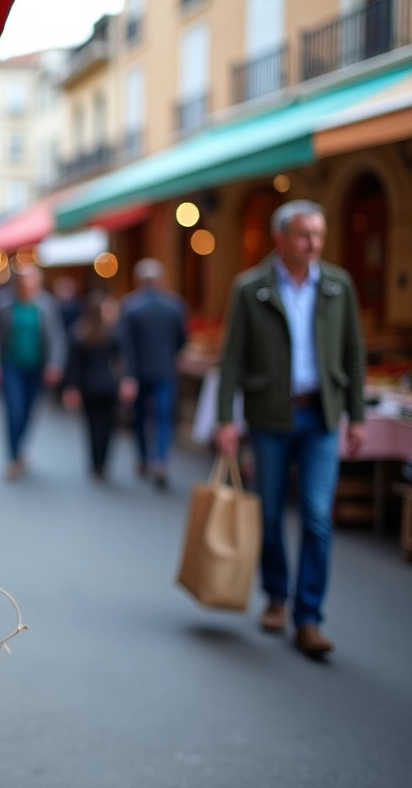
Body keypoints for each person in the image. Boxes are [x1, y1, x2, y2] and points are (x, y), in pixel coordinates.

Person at [215, 200, 366, 658]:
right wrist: (226, 418)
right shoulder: (251, 287)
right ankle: (276, 598)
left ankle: (309, 618)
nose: (314, 244)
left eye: (319, 235)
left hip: (322, 415)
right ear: (280, 238)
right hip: (270, 416)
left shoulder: (339, 285)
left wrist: (356, 415)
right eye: (305, 235)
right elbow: (232, 357)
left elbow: (353, 353)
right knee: (274, 514)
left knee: (318, 517)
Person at [119, 258, 188, 488]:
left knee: (140, 418)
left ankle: (143, 457)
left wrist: (128, 374)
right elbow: (182, 339)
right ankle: (160, 459)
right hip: (164, 370)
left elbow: (124, 344)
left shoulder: (130, 306)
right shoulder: (174, 305)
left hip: (138, 372)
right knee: (162, 417)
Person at [0, 266, 66, 480]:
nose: (27, 286)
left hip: (36, 367)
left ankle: (21, 447)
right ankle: (14, 455)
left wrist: (55, 364)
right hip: (11, 365)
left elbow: (56, 337)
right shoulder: (4, 305)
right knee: (14, 409)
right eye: (24, 282)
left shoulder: (46, 305)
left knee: (28, 411)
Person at [62, 291, 136, 479]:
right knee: (107, 425)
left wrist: (71, 387)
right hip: (109, 385)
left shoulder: (79, 332)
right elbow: (124, 359)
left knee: (91, 425)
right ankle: (103, 462)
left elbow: (73, 365)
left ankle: (95, 462)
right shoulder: (113, 333)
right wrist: (126, 379)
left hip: (88, 386)